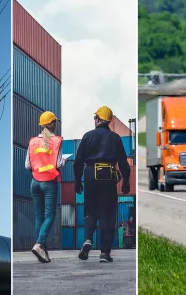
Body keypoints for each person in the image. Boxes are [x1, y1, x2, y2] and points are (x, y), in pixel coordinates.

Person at [74, 106, 130, 262]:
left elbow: (78, 161)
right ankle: (105, 253)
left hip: (90, 174)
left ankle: (87, 240)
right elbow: (123, 162)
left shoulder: (87, 136)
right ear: (109, 121)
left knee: (90, 210)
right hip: (108, 175)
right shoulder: (115, 138)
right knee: (107, 212)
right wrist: (126, 180)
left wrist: (77, 180)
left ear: (98, 119)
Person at [25, 111, 63, 263]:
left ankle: (43, 253)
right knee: (50, 215)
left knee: (39, 217)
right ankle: (40, 244)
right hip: (49, 182)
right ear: (53, 124)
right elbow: (59, 163)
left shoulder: (33, 142)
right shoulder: (56, 141)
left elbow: (27, 165)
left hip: (34, 182)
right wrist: (65, 161)